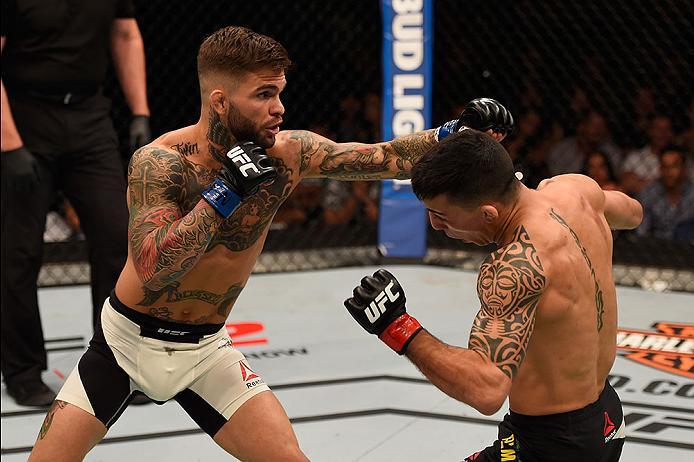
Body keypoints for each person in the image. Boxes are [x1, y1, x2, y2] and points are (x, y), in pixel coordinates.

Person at [28, 26, 513, 461]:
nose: (278, 108)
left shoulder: (289, 155)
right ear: (220, 101)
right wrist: (224, 194)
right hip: (126, 342)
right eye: (263, 95)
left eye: (279, 92)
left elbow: (383, 157)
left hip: (205, 350)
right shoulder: (161, 164)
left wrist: (455, 133)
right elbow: (154, 268)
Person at [344, 129, 643, 461]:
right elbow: (632, 213)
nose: (435, 225)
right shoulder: (575, 191)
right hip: (606, 418)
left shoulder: (515, 266)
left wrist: (395, 326)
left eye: (442, 216)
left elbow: (486, 389)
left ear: (488, 213)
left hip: (552, 446)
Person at [1, 0, 151, 407]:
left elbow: (125, 33)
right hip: (23, 113)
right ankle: (23, 372)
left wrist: (139, 110)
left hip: (88, 116)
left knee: (117, 236)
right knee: (18, 251)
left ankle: (115, 364)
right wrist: (8, 142)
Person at [637, 145, 694, 241]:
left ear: (684, 169)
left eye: (674, 166)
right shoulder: (648, 194)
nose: (669, 172)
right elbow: (642, 233)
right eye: (665, 166)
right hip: (655, 249)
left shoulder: (692, 193)